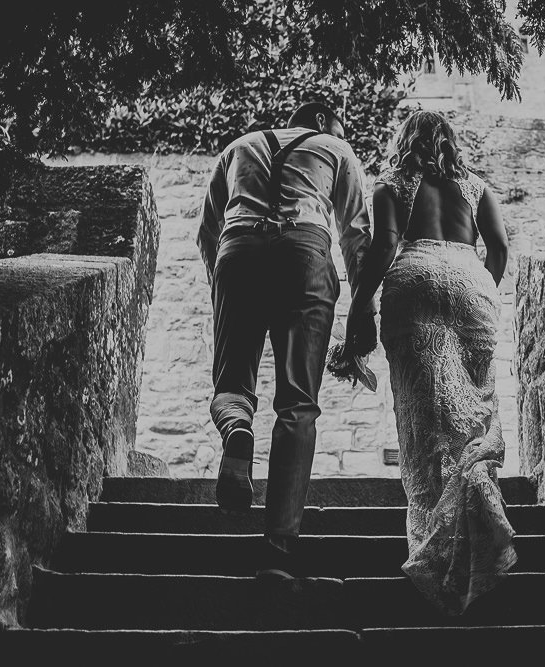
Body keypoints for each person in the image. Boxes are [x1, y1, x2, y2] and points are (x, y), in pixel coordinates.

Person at [336, 110, 516, 614]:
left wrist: (359, 303)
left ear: (404, 140)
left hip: (413, 281)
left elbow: (386, 244)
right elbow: (498, 248)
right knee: (473, 413)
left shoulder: (390, 183)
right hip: (470, 281)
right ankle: (479, 510)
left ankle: (436, 556)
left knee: (426, 422)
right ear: (450, 142)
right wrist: (477, 289)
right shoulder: (477, 187)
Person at [196, 101, 375, 578]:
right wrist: (363, 309)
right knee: (298, 402)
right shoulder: (335, 147)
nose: (343, 133)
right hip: (304, 252)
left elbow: (205, 234)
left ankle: (237, 428)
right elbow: (358, 235)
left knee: (231, 382)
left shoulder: (238, 147)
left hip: (238, 249)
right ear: (320, 123)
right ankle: (277, 547)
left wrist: (225, 285)